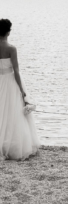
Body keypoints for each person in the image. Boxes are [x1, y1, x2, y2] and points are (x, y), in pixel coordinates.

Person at [0, 19, 40, 160]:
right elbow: (16, 70)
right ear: (8, 32)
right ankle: (15, 146)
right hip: (10, 81)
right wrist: (22, 90)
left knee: (2, 112)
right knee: (14, 112)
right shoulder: (11, 48)